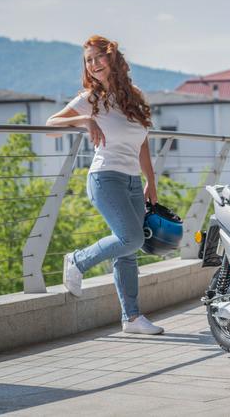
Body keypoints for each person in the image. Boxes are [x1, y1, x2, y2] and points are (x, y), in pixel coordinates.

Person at [46, 35, 163, 335]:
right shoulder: (89, 99)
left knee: (128, 249)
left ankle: (131, 318)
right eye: (89, 60)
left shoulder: (135, 96)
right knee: (131, 238)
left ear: (112, 59)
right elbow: (50, 126)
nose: (94, 64)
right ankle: (78, 260)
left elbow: (143, 143)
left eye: (99, 57)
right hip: (105, 178)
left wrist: (150, 180)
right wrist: (85, 121)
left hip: (132, 180)